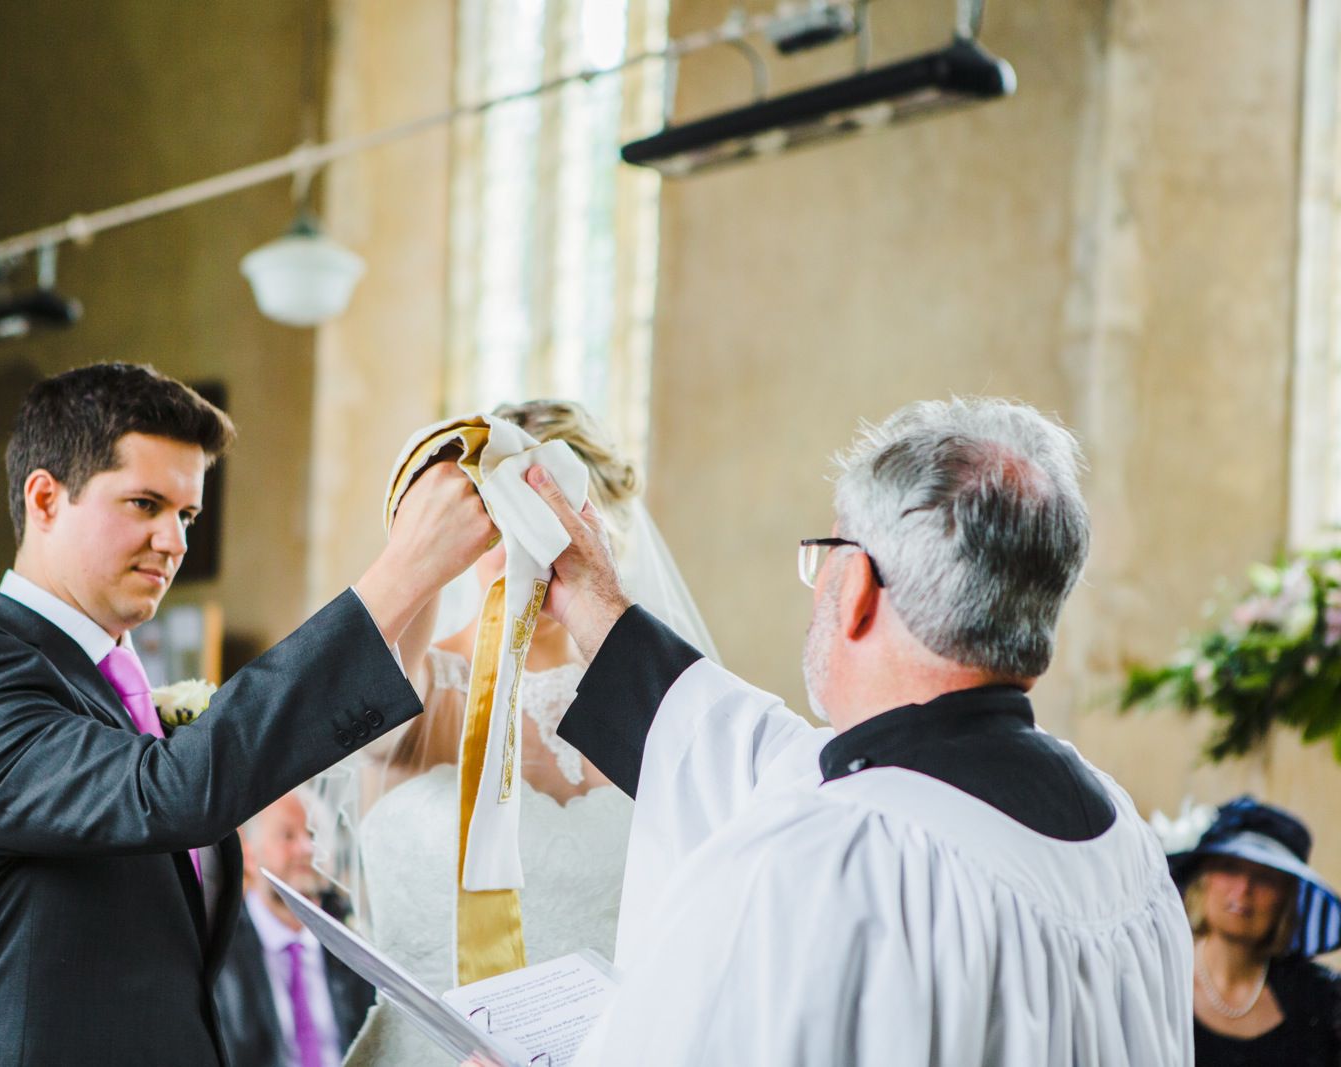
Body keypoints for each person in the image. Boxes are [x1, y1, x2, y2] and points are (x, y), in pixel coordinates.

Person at [525, 396, 1195, 1064]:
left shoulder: (821, 860)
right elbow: (747, 752)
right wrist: (596, 605)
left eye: (829, 554)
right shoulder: (1124, 843)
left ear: (860, 590)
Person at [0, 362, 494, 1065]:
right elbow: (171, 791)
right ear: (45, 499)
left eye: (187, 514)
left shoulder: (121, 694)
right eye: (145, 504)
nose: (175, 542)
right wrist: (403, 570)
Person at [331, 400, 716, 1067]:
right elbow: (359, 684)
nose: (530, 552)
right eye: (508, 522)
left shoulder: (658, 703)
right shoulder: (417, 680)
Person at [1167, 796, 1341, 1065]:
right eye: (1230, 868)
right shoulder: (1158, 979)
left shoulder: (1321, 999)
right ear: (1203, 879)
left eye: (1265, 877)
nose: (1244, 889)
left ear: (1286, 897)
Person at [214, 791, 374, 1067]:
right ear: (249, 855)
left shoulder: (354, 945)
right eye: (287, 836)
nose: (306, 849)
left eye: (313, 835)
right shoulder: (218, 951)